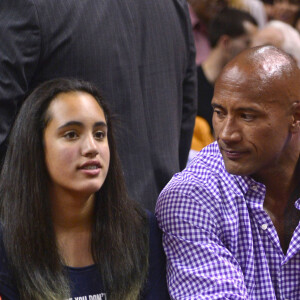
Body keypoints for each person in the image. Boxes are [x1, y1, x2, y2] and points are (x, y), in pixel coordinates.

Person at [0, 0, 197, 212]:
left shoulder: (31, 5)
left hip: (72, 226)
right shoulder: (174, 5)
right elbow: (186, 113)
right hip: (163, 216)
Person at [0, 78, 169, 300]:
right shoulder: (6, 241)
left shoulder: (142, 230)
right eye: (71, 134)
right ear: (35, 147)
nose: (92, 148)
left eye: (99, 134)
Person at [156, 45, 300, 299]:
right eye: (219, 112)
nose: (226, 134)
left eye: (247, 116)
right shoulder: (191, 195)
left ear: (296, 116)